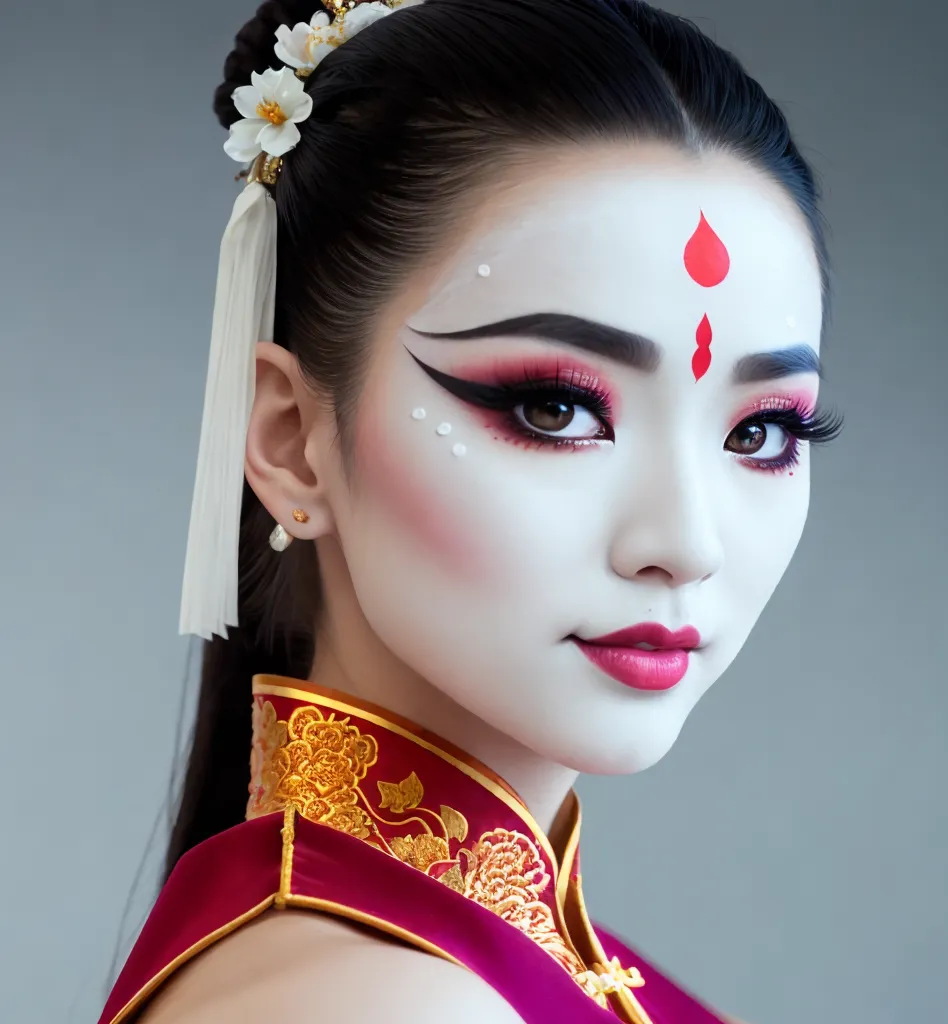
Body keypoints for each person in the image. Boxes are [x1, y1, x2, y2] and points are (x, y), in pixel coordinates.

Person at [98, 0, 842, 1020]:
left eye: (759, 432)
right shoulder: (379, 999)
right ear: (288, 440)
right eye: (556, 408)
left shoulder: (502, 960)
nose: (684, 542)